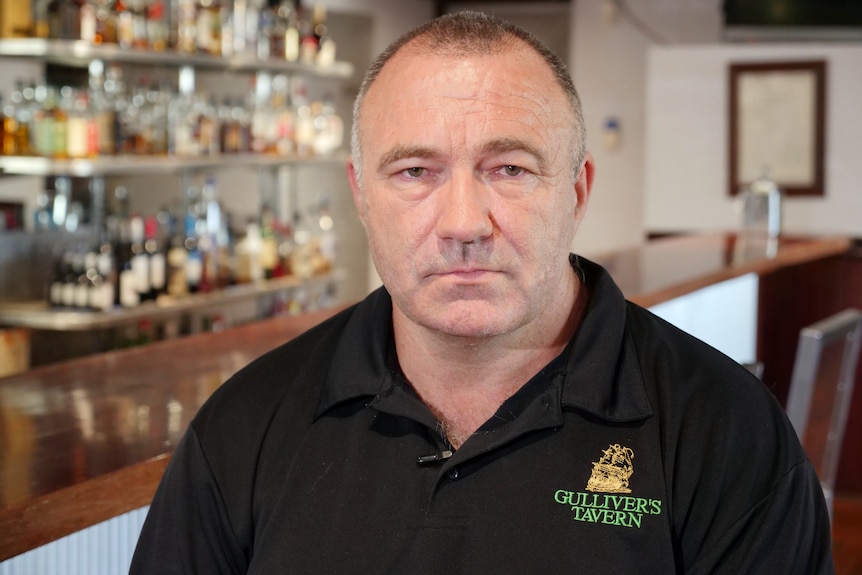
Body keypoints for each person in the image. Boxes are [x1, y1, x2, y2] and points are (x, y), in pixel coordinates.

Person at [131, 11, 834, 574]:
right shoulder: (245, 426)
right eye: (413, 171)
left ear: (577, 191)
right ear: (359, 196)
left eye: (509, 169)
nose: (464, 223)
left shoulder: (725, 432)